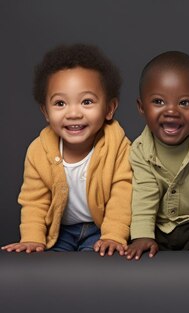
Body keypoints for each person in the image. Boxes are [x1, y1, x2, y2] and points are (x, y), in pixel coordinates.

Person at [1, 44, 131, 256]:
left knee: (97, 267)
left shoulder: (118, 147)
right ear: (45, 111)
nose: (73, 113)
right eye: (60, 103)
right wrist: (32, 238)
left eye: (86, 102)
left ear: (109, 109)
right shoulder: (38, 151)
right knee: (49, 270)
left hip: (100, 229)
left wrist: (113, 235)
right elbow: (34, 201)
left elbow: (123, 194)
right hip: (59, 231)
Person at [125, 51, 189, 260]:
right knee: (134, 249)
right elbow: (144, 193)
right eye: (158, 102)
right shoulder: (140, 149)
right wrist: (142, 235)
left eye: (185, 103)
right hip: (158, 226)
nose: (171, 111)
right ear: (141, 107)